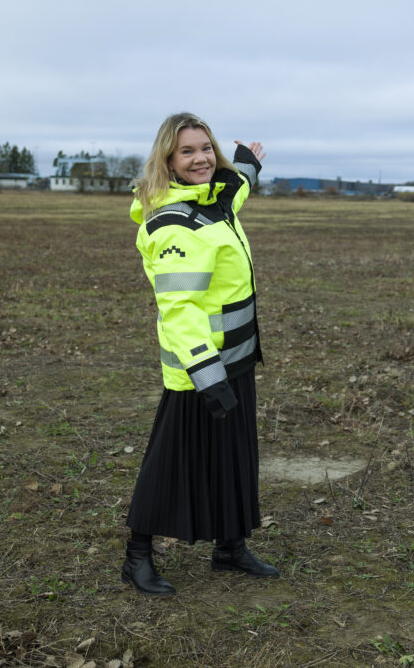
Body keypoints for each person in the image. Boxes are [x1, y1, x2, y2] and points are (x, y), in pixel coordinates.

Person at [121, 112, 277, 596]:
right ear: (167, 159)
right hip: (199, 372)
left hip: (238, 360)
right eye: (187, 151)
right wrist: (207, 375)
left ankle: (229, 548)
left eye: (206, 148)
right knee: (170, 462)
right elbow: (179, 309)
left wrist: (248, 165)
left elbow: (237, 189)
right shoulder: (174, 223)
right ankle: (137, 556)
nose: (200, 159)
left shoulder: (214, 203)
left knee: (234, 456)